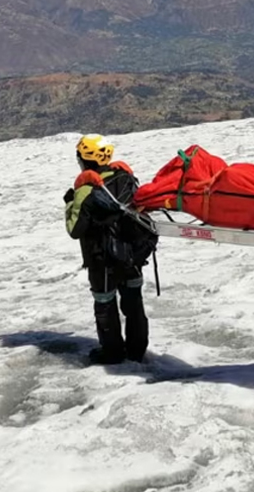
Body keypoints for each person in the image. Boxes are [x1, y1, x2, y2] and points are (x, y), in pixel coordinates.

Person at [64, 134, 150, 365]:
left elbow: (75, 229)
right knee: (134, 303)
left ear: (84, 158)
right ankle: (137, 351)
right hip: (132, 255)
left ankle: (112, 353)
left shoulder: (86, 189)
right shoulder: (127, 178)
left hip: (102, 259)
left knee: (105, 304)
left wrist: (70, 203)